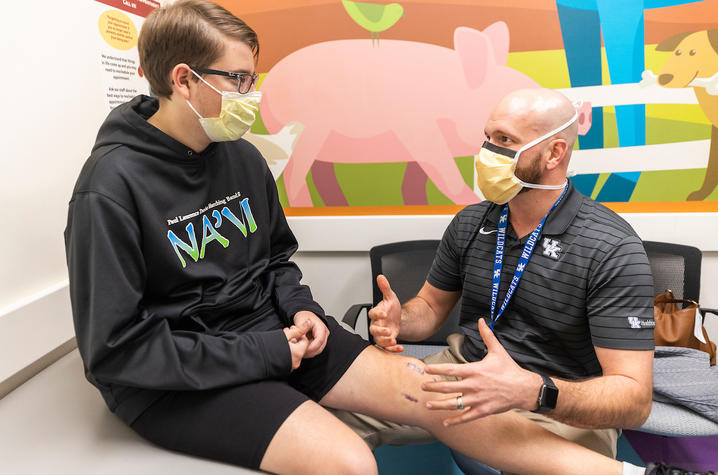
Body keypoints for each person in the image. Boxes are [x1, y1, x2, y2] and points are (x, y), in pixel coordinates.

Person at [63, 2, 703, 474]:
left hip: (276, 339)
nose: (251, 94)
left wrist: (306, 313)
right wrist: (275, 352)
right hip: (186, 373)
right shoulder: (110, 188)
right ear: (183, 80)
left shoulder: (242, 160)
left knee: (441, 399)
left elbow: (277, 261)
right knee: (350, 463)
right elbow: (115, 350)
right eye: (238, 80)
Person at [358, 88, 656, 463]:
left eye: (504, 140)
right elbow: (431, 307)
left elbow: (633, 399)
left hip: (555, 402)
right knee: (332, 413)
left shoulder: (611, 246)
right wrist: (402, 319)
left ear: (555, 153)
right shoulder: (472, 222)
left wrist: (532, 390)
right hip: (461, 372)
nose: (486, 152)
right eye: (487, 137)